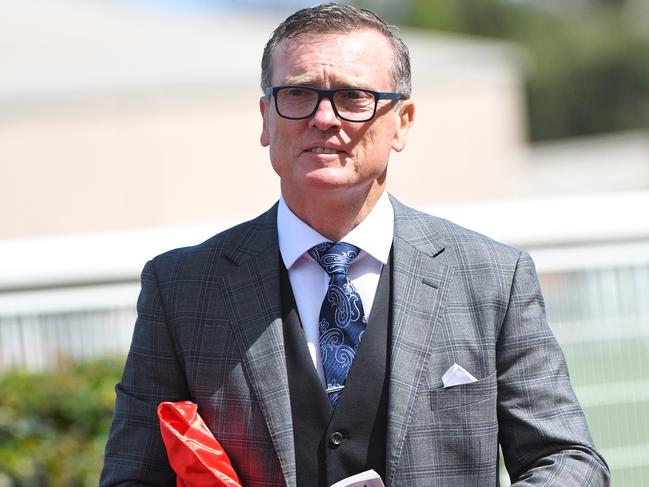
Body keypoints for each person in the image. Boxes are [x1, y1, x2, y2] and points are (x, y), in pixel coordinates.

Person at [100, 4, 609, 486]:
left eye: (353, 97)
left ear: (402, 123)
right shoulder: (182, 289)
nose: (324, 118)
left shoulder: (492, 277)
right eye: (298, 94)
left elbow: (568, 460)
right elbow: (131, 474)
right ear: (265, 118)